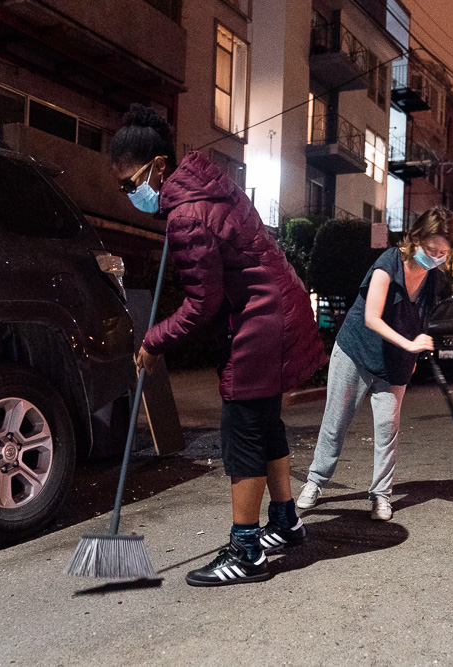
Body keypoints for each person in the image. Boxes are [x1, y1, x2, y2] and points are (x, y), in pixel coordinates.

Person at [110, 104, 326, 587]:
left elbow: (202, 303)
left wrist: (153, 340)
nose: (129, 194)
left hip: (259, 323)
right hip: (275, 310)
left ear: (158, 169)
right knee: (265, 424)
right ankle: (287, 521)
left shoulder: (186, 213)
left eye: (130, 184)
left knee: (242, 434)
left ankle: (247, 551)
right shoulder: (206, 187)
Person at [297, 207, 453, 520]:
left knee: (388, 427)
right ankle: (315, 482)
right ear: (415, 239)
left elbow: (418, 319)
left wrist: (412, 355)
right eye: (431, 250)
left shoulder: (434, 281)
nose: (436, 257)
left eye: (443, 253)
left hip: (395, 359)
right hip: (357, 350)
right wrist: (409, 344)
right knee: (337, 420)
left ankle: (381, 495)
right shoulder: (389, 263)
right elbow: (372, 317)